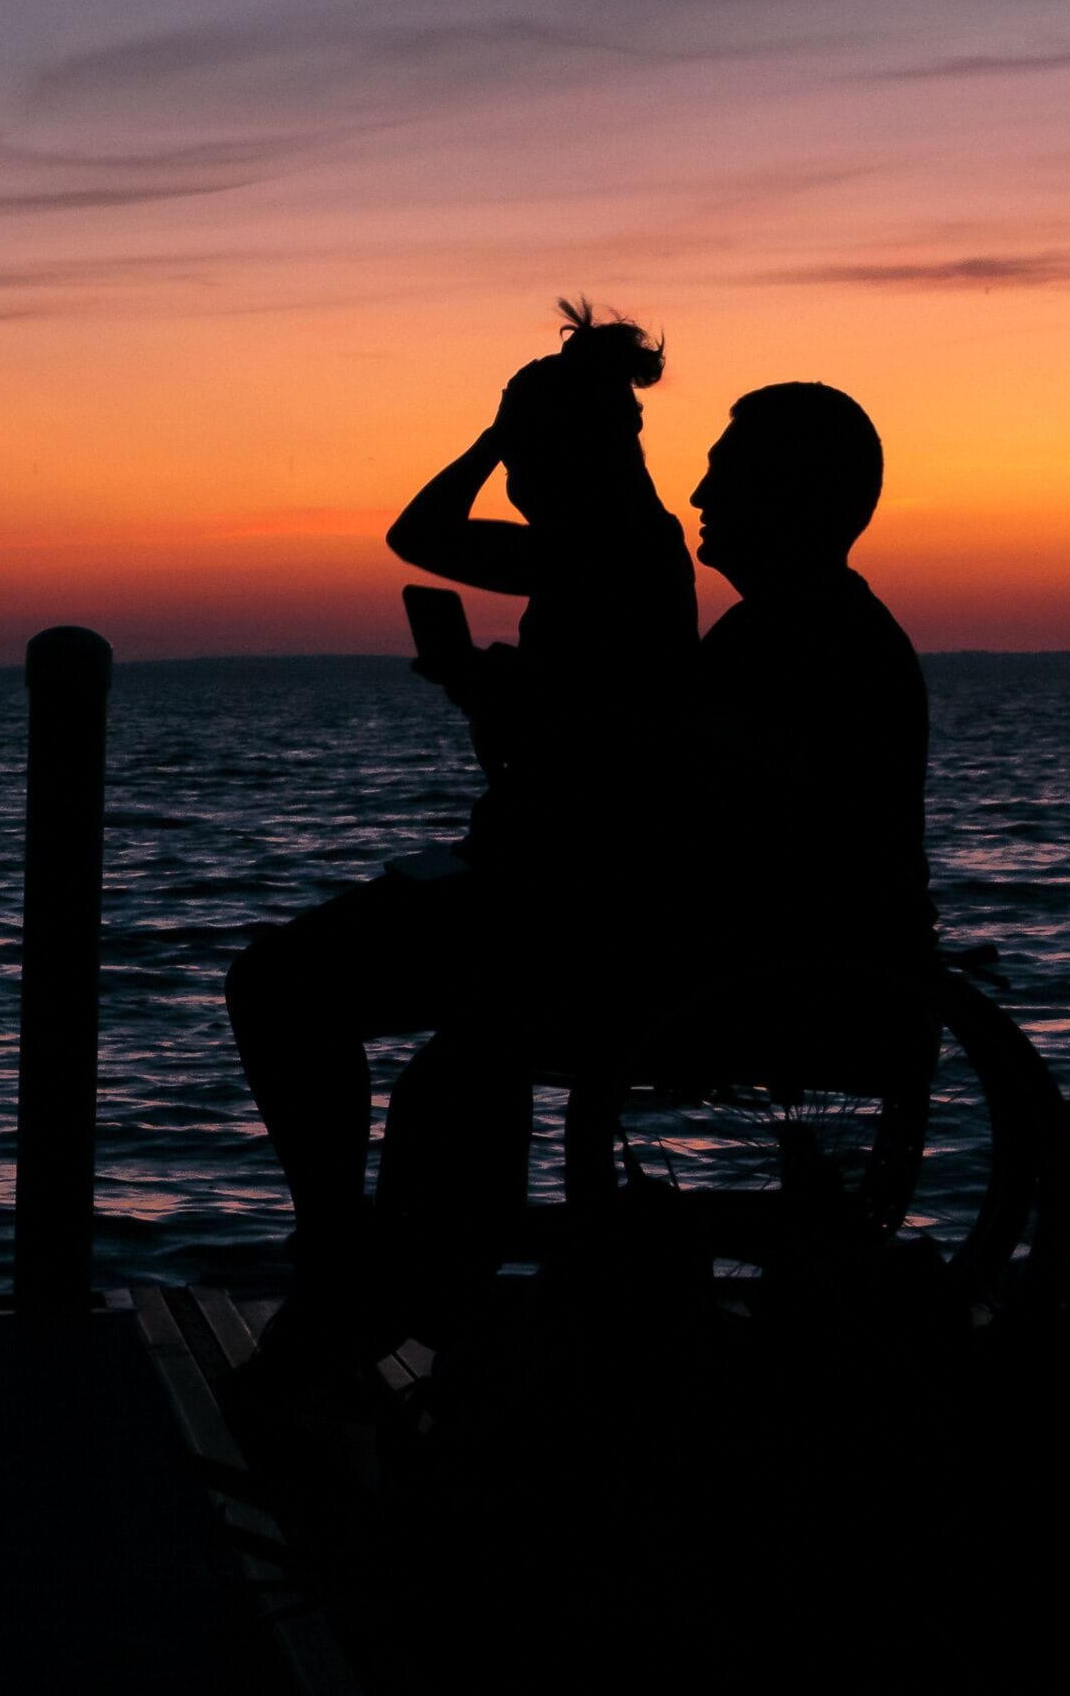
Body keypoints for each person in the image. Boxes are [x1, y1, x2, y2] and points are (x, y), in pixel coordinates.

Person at [224, 303, 698, 1367]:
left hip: (559, 891)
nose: (518, 477)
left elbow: (589, 732)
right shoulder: (605, 547)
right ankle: (358, 1259)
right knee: (313, 979)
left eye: (527, 453)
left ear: (562, 450)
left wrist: (491, 685)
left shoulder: (606, 554)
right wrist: (495, 688)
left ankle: (341, 1257)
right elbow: (428, 543)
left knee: (277, 982)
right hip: (547, 870)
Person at [682, 383, 933, 997]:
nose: (698, 495)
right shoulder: (791, 621)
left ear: (786, 494)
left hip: (790, 964)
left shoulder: (808, 635)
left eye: (725, 473)